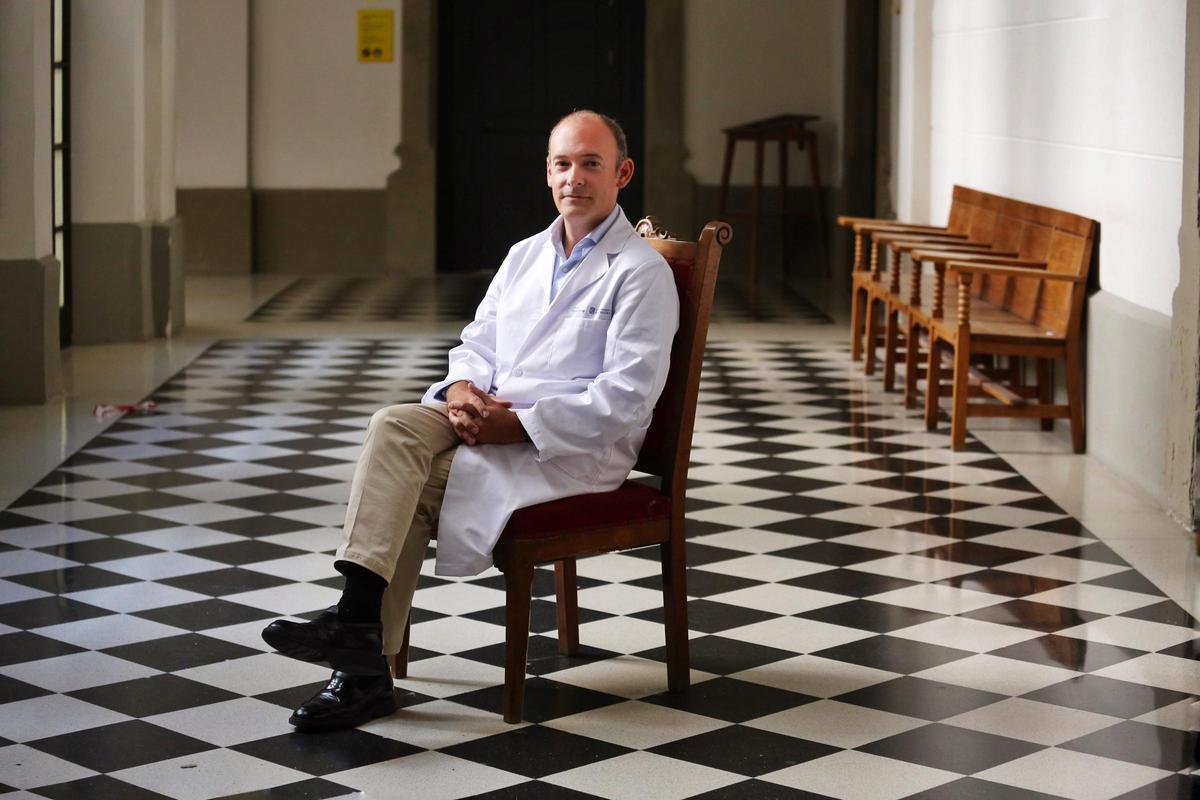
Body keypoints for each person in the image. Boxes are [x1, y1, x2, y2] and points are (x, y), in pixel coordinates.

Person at [261, 110, 680, 732]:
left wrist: (520, 426)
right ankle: (356, 629)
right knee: (393, 426)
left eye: (591, 164)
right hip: (487, 413)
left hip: (566, 444)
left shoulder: (642, 273)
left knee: (405, 485)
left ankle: (360, 665)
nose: (575, 177)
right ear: (547, 173)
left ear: (622, 173)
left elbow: (628, 399)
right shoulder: (524, 255)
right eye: (563, 163)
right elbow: (477, 342)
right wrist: (460, 389)